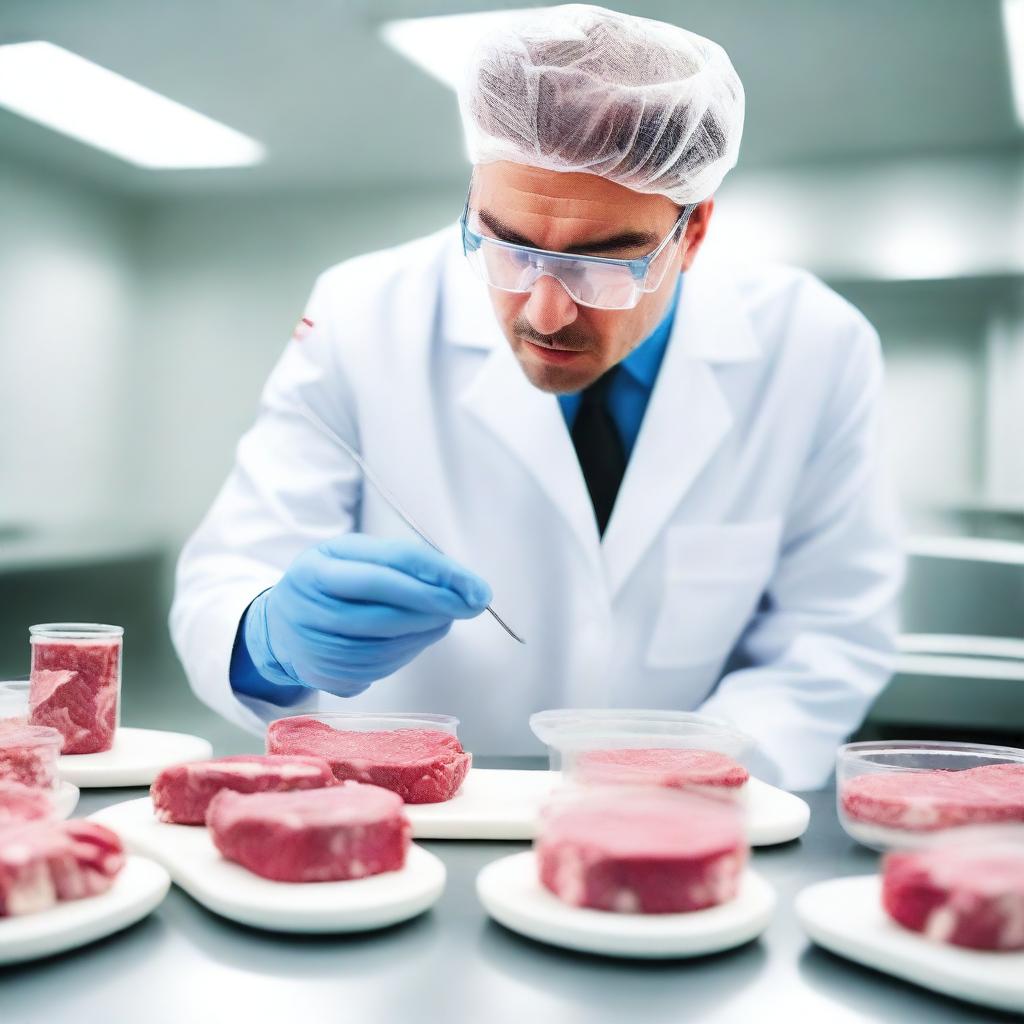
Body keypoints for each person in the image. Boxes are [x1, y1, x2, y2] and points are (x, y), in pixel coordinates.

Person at [170, 4, 903, 790]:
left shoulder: (814, 345)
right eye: (507, 246)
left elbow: (829, 636)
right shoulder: (363, 312)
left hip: (684, 824)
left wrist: (695, 775)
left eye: (601, 263)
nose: (544, 313)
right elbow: (230, 571)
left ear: (691, 236)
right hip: (408, 818)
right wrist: (270, 638)